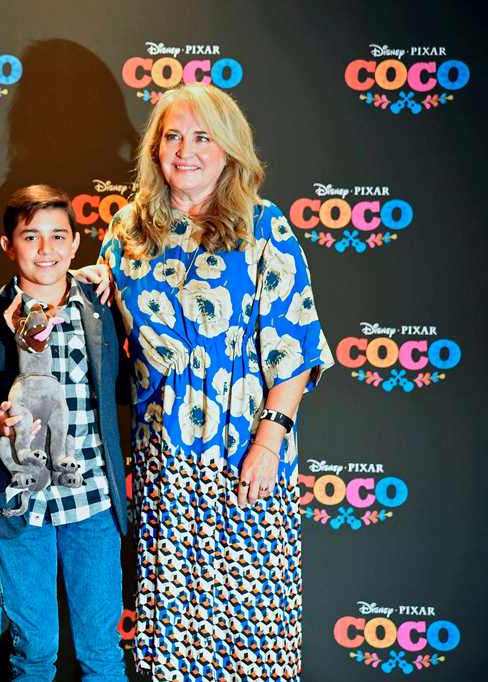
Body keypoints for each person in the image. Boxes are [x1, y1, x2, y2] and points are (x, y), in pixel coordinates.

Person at [96, 83, 334, 680]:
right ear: (154, 149)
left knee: (256, 641)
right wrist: (80, 287)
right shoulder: (126, 233)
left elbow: (296, 347)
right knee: (170, 645)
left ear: (228, 150)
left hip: (247, 459)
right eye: (172, 136)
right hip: (165, 465)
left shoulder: (265, 227)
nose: (186, 150)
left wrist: (270, 442)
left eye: (202, 137)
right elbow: (97, 318)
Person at [0, 185, 129, 681]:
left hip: (93, 498)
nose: (46, 249)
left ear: (77, 243)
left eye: (58, 236)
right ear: (8, 245)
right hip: (21, 504)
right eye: (30, 236)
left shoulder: (101, 306)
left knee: (101, 652)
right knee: (33, 653)